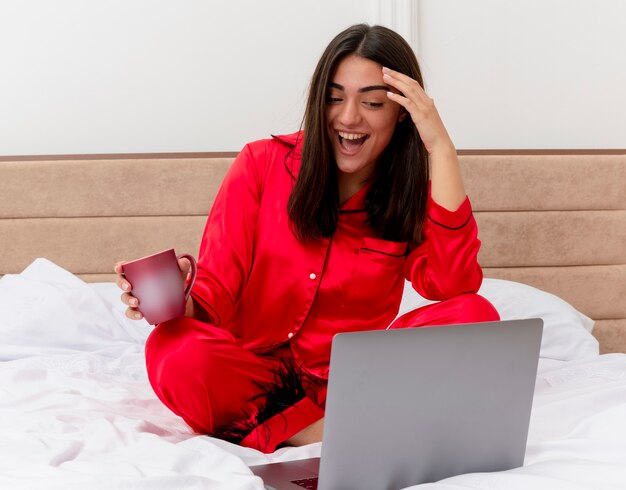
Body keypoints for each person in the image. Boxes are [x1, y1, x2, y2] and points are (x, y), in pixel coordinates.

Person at [115, 23, 499, 453]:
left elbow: (452, 284)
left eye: (372, 102)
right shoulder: (260, 163)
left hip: (355, 380)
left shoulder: (404, 193)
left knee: (476, 315)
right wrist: (175, 297)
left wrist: (442, 148)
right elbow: (215, 294)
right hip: (255, 379)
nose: (349, 118)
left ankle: (282, 429)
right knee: (172, 348)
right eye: (334, 98)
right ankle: (327, 431)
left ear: (403, 111)